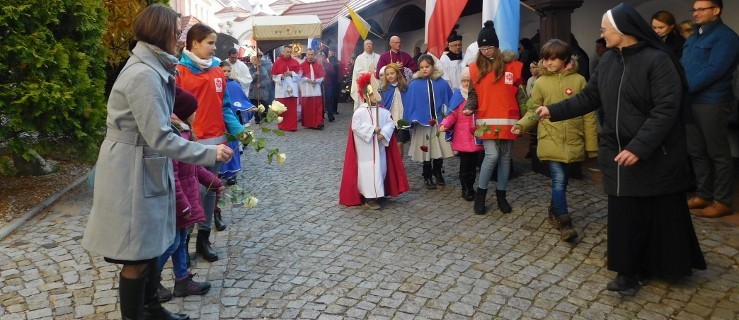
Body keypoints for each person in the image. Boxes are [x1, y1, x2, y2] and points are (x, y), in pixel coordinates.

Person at [536, 3, 706, 295]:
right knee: (624, 215)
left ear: (623, 29)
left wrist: (640, 146)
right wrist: (552, 110)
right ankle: (627, 272)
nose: (601, 32)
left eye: (605, 27)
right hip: (616, 151)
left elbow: (666, 109)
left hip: (654, 152)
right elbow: (588, 98)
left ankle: (667, 266)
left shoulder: (658, 60)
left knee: (658, 211)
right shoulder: (609, 62)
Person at [81, 5, 233, 320]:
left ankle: (151, 308)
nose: (180, 38)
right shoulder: (143, 74)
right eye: (176, 32)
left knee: (148, 245)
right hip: (131, 169)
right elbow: (159, 137)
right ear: (160, 32)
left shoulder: (153, 67)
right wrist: (208, 153)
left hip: (143, 163)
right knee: (136, 254)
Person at [512, 39, 597, 242]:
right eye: (545, 59)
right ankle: (565, 222)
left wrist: (592, 145)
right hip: (551, 137)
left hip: (573, 138)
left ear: (565, 59)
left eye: (553, 59)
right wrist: (521, 125)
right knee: (558, 180)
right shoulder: (541, 82)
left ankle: (554, 211)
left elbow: (588, 114)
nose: (548, 63)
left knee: (563, 181)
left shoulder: (579, 81)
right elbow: (534, 110)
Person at [177, 23, 246, 258]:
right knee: (189, 193)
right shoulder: (179, 71)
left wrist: (239, 131)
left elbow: (225, 107)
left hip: (217, 141)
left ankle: (203, 240)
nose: (214, 48)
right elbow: (172, 110)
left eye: (215, 43)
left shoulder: (217, 69)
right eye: (210, 43)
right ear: (194, 43)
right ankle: (182, 246)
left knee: (208, 191)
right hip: (191, 144)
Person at [156, 87, 221, 303]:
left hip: (186, 198)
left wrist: (215, 182)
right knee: (173, 243)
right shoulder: (175, 136)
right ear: (183, 111)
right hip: (179, 201)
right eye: (194, 109)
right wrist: (182, 204)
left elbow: (194, 167)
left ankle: (182, 280)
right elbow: (173, 175)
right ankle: (149, 280)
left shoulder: (185, 132)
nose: (197, 113)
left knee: (182, 239)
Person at [682, 0, 739, 218]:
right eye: (694, 9)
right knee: (696, 150)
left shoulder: (726, 37)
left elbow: (715, 70)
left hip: (713, 101)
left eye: (701, 9)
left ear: (716, 10)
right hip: (691, 101)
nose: (696, 13)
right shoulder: (695, 36)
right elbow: (684, 65)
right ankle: (703, 194)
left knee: (718, 153)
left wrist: (685, 89)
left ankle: (722, 201)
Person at [463, 21, 523, 215]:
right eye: (482, 48)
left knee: (505, 159)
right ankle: (480, 195)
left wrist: (528, 116)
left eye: (489, 47)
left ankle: (501, 195)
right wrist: (469, 107)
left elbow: (520, 94)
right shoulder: (474, 68)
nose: (486, 51)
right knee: (492, 156)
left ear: (496, 46)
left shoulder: (511, 66)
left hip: (508, 119)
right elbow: (473, 94)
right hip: (487, 120)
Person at [339, 73, 410, 209]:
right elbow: (357, 126)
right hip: (365, 151)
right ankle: (369, 197)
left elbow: (390, 123)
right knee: (367, 171)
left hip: (380, 149)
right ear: (367, 95)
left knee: (381, 169)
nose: (376, 96)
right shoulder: (360, 112)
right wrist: (372, 130)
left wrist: (383, 133)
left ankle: (378, 193)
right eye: (373, 94)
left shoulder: (383, 112)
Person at [404, 54, 454, 189]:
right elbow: (410, 103)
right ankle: (426, 173)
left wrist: (450, 116)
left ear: (433, 66)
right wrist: (411, 119)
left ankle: (437, 172)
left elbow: (450, 100)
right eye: (421, 67)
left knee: (439, 147)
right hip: (422, 122)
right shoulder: (414, 85)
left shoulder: (442, 82)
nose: (424, 69)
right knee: (425, 148)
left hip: (439, 121)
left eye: (427, 66)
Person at [439, 67, 483, 201]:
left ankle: (471, 186)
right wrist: (445, 124)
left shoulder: (478, 95)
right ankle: (465, 188)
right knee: (465, 163)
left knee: (474, 164)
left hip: (476, 135)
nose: (466, 84)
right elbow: (452, 113)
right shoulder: (458, 95)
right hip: (463, 136)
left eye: (469, 81)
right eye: (464, 81)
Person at [380, 64, 409, 154]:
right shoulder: (384, 89)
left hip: (402, 119)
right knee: (391, 144)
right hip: (390, 120)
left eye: (392, 73)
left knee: (399, 144)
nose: (390, 76)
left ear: (397, 73)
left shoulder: (405, 87)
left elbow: (409, 102)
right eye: (387, 74)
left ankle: (399, 166)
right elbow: (382, 105)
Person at [271, 45, 301, 131]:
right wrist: (281, 76)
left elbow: (299, 75)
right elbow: (274, 76)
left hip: (292, 88)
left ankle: (292, 126)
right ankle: (282, 125)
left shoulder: (295, 62)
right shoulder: (277, 62)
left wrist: (292, 73)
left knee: (292, 109)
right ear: (283, 52)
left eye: (290, 52)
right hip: (282, 88)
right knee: (282, 108)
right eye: (287, 52)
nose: (289, 53)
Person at [299, 48, 325, 129]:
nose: (310, 56)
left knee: (318, 107)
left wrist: (316, 80)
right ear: (306, 55)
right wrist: (307, 79)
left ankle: (318, 123)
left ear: (314, 55)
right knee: (308, 107)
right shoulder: (302, 65)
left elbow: (322, 76)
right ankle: (309, 123)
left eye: (311, 54)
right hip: (306, 89)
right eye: (308, 54)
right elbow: (299, 77)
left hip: (316, 89)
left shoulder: (319, 65)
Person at [351, 40, 380, 110]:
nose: (369, 45)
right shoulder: (359, 58)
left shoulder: (378, 57)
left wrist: (375, 72)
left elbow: (381, 69)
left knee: (376, 102)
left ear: (372, 46)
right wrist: (369, 73)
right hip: (364, 85)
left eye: (370, 44)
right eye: (367, 44)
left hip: (376, 84)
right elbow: (357, 71)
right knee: (365, 104)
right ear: (364, 46)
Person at [249, 50, 272, 123]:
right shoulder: (250, 69)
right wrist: (255, 74)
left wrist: (261, 84)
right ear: (251, 60)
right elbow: (249, 79)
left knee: (264, 104)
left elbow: (267, 79)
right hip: (254, 90)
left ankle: (264, 117)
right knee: (255, 105)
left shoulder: (263, 68)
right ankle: (257, 118)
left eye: (256, 59)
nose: (256, 60)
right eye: (254, 59)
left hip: (262, 90)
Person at [440, 25, 465, 90]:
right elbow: (445, 79)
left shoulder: (465, 56)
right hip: (452, 92)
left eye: (459, 45)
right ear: (449, 46)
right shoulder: (444, 59)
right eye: (455, 45)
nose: (458, 47)